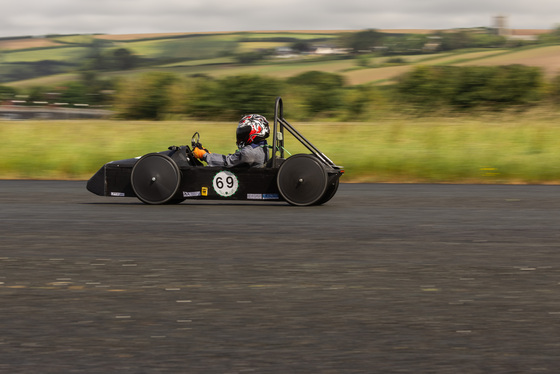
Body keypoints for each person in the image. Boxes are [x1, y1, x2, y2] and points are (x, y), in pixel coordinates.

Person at [193, 114, 270, 167]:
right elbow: (234, 158)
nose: (241, 136)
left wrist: (204, 155)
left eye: (243, 133)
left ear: (256, 131)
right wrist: (209, 154)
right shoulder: (262, 148)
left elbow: (227, 162)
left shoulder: (249, 152)